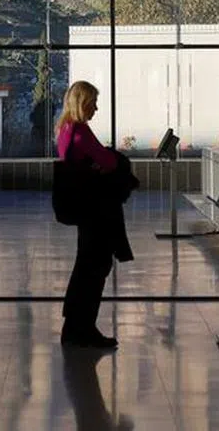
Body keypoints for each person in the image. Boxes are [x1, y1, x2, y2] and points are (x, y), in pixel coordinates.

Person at [56, 81, 137, 349]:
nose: (97, 108)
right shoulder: (80, 133)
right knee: (95, 267)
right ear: (83, 103)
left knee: (85, 266)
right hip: (95, 209)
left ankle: (74, 327)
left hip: (83, 207)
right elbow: (110, 162)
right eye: (93, 103)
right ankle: (84, 328)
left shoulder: (65, 129)